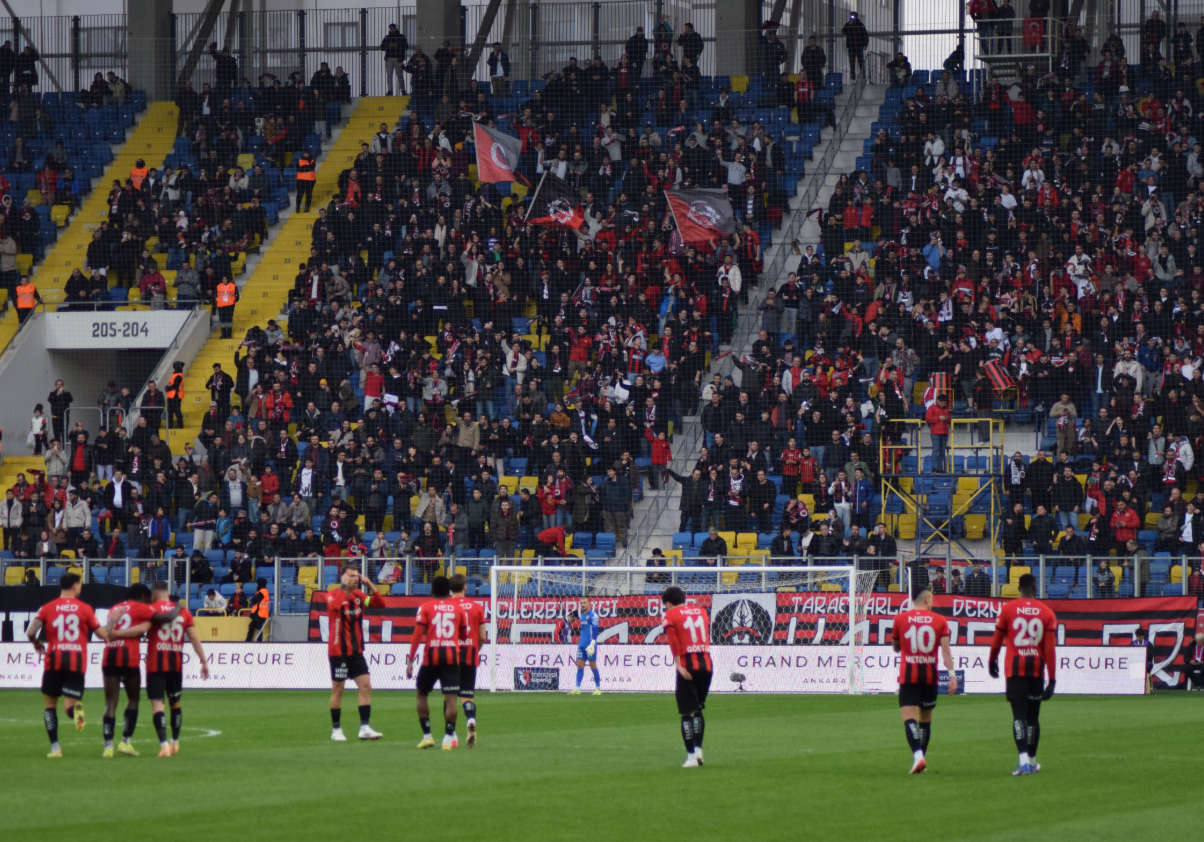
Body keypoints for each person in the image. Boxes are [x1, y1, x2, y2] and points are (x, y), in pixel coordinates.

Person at [25, 572, 112, 757]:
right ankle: (75, 712)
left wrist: (37, 643)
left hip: (53, 660)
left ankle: (55, 748)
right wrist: (114, 621)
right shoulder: (85, 608)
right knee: (69, 704)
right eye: (80, 585)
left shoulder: (47, 607)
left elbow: (31, 631)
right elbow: (102, 634)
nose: (80, 588)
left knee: (50, 705)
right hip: (76, 662)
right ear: (75, 587)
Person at [100, 583, 181, 757]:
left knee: (110, 703)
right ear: (144, 597)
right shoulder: (141, 608)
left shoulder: (114, 608)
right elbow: (167, 618)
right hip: (128, 657)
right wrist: (179, 606)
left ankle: (108, 746)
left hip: (109, 657)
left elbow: (108, 631)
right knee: (134, 699)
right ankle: (125, 741)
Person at [988, 573, 1057, 776]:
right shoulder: (1047, 612)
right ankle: (1033, 762)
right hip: (1036, 671)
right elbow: (1050, 650)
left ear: (1018, 588)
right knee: (1033, 718)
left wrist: (992, 661)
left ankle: (1023, 762)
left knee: (1018, 715)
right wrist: (1052, 680)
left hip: (1015, 671)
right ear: (1035, 587)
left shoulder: (1008, 609)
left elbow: (996, 640)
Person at [891, 588, 957, 774]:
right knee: (925, 720)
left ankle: (918, 757)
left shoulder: (900, 619)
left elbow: (896, 647)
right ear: (927, 600)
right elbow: (945, 650)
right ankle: (920, 759)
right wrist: (952, 676)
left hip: (909, 676)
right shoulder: (940, 620)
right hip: (930, 676)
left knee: (909, 718)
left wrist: (902, 645)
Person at [142, 580, 208, 756]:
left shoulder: (150, 609)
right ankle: (175, 742)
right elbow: (194, 639)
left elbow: (142, 630)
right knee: (175, 704)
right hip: (175, 665)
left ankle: (164, 745)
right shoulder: (184, 612)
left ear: (154, 594)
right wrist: (204, 661)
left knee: (158, 705)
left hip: (156, 664)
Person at [406, 575, 468, 750]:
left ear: (432, 591)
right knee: (451, 700)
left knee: (421, 694)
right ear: (448, 591)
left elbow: (417, 636)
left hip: (431, 657)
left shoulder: (425, 607)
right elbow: (463, 637)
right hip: (451, 658)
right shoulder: (458, 609)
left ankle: (427, 736)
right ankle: (448, 737)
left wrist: (411, 660)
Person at [325, 566, 385, 742]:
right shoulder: (333, 595)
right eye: (351, 576)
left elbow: (380, 604)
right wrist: (344, 588)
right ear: (342, 577)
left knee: (365, 685)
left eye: (357, 576)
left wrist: (370, 585)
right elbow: (335, 606)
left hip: (356, 650)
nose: (355, 579)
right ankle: (336, 729)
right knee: (338, 689)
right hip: (338, 651)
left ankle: (364, 728)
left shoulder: (359, 596)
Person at [662, 585, 712, 768]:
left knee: (686, 713)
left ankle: (691, 757)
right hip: (706, 664)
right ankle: (698, 750)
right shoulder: (701, 611)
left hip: (687, 666)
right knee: (698, 709)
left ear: (668, 603)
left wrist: (678, 664)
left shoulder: (669, 615)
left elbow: (673, 640)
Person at [449, 573, 486, 748]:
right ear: (465, 587)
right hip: (470, 655)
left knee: (449, 697)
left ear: (450, 589)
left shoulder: (445, 606)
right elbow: (483, 637)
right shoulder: (477, 607)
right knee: (467, 696)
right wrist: (474, 650)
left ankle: (451, 733)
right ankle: (470, 718)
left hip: (450, 656)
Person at [569, 597, 603, 696]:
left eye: (584, 603)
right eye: (581, 603)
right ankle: (577, 688)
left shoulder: (593, 615)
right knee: (579, 665)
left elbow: (596, 629)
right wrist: (571, 616)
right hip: (581, 644)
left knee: (593, 666)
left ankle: (598, 689)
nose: (583, 605)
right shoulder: (581, 615)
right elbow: (569, 620)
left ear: (589, 604)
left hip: (590, 644)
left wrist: (593, 643)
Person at [925, 394, 952, 473]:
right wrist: (938, 418)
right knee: (936, 450)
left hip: (944, 433)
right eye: (942, 403)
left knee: (942, 451)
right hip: (935, 433)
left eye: (945, 403)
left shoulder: (946, 409)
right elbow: (927, 418)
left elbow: (949, 420)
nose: (944, 404)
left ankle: (939, 468)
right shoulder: (931, 408)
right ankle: (934, 468)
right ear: (938, 401)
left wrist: (947, 418)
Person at [381, 23, 408, 95]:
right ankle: (390, 90)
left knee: (399, 75)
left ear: (395, 28)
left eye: (393, 28)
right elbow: (382, 47)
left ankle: (402, 90)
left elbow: (406, 46)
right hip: (389, 58)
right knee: (389, 75)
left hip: (398, 58)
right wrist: (389, 45)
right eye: (391, 29)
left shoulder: (401, 37)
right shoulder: (387, 38)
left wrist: (397, 46)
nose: (392, 30)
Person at [842, 12, 869, 81]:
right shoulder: (848, 24)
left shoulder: (860, 25)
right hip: (851, 46)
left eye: (854, 17)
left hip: (859, 45)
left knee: (861, 61)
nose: (853, 18)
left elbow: (865, 35)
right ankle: (852, 76)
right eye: (852, 16)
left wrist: (865, 44)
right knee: (852, 61)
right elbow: (843, 31)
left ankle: (863, 75)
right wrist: (849, 24)